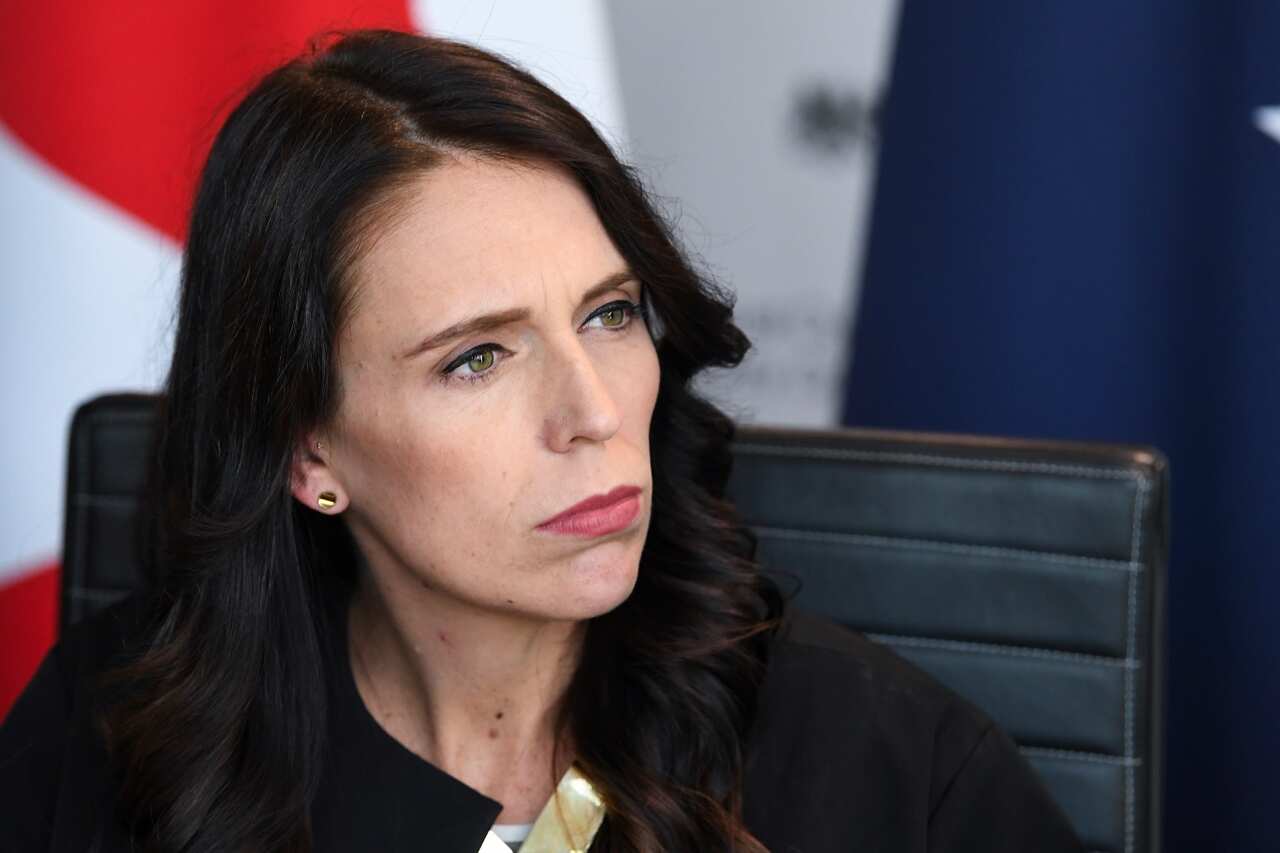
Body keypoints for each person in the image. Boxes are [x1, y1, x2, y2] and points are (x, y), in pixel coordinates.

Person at [0, 29, 1084, 853]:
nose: (595, 411)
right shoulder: (109, 734)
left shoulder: (897, 768)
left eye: (608, 313)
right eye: (477, 358)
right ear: (306, 452)